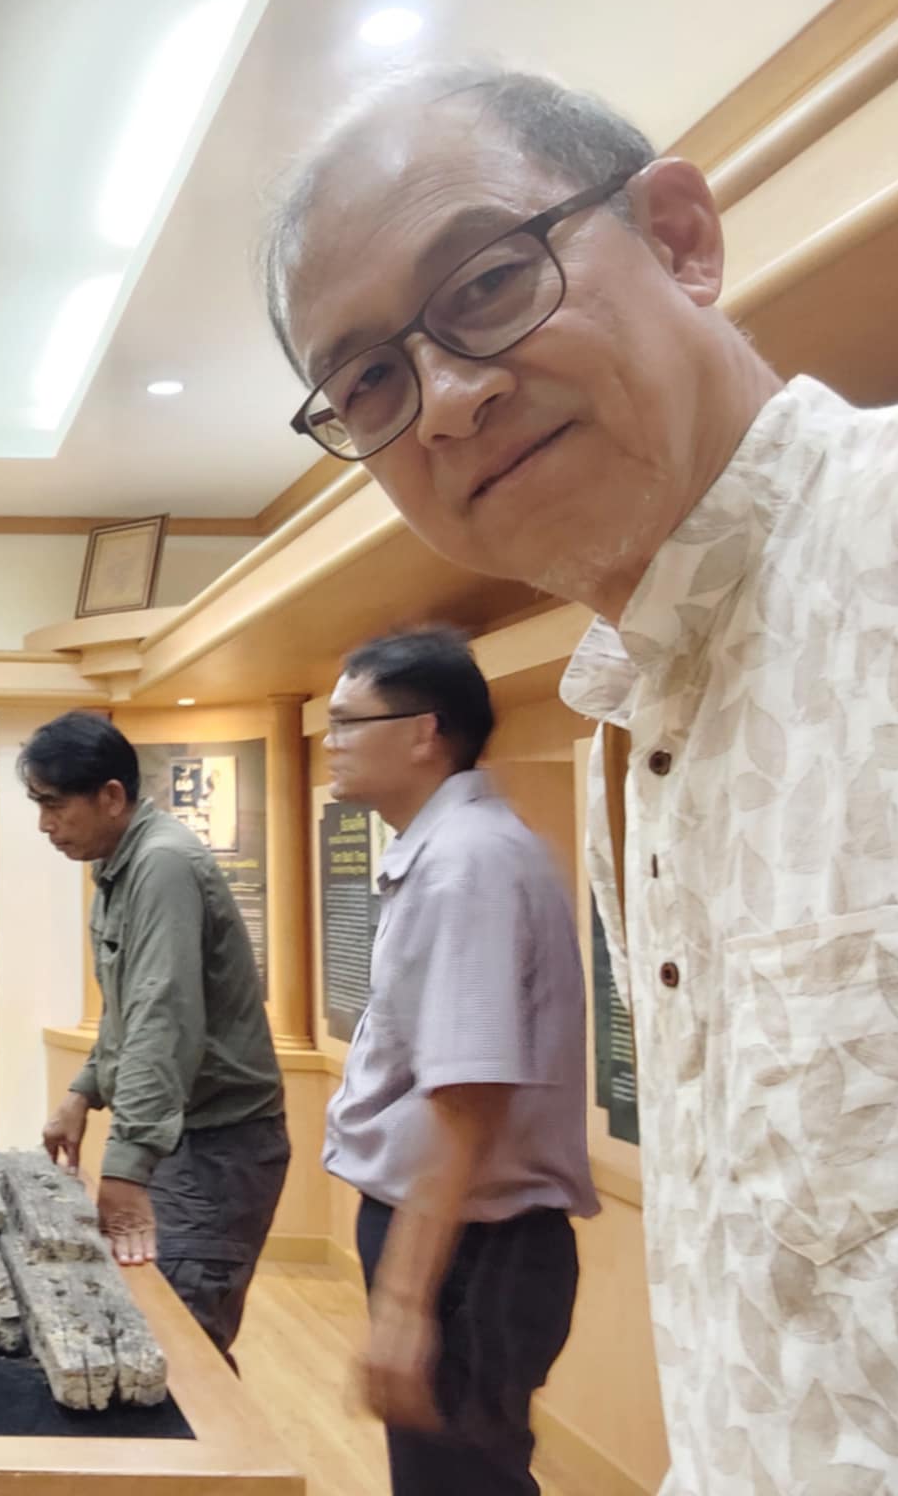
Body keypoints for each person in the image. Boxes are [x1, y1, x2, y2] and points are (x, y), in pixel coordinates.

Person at [263, 64, 898, 1491]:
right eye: (369, 381)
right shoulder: (625, 717)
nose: (446, 402)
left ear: (679, 238)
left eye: (490, 284)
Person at [322, 629, 595, 1494]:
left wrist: (408, 1302)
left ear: (423, 733)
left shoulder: (466, 862)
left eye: (348, 722)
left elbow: (468, 1095)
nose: (330, 742)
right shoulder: (451, 850)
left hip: (476, 1248)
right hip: (459, 1237)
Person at [28, 712, 287, 1356]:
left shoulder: (162, 863)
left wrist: (127, 1164)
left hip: (214, 1146)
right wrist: (83, 1091)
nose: (45, 825)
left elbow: (162, 1017)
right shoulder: (121, 865)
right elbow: (129, 1009)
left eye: (54, 805)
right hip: (182, 1137)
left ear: (111, 796)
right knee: (154, 1337)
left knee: (178, 1351)